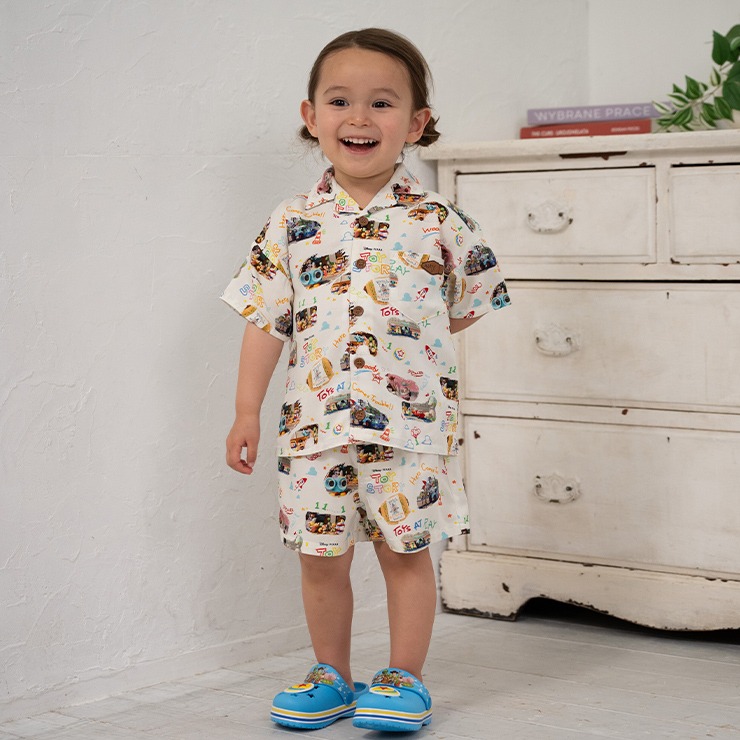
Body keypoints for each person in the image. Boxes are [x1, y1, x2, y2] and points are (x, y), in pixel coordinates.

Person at [221, 27, 510, 733]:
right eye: (340, 101)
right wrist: (246, 411)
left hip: (409, 431)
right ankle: (332, 675)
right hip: (314, 428)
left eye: (381, 103)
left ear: (415, 123)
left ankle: (404, 679)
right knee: (320, 559)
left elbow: (470, 304)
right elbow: (265, 320)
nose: (359, 117)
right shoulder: (291, 223)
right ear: (311, 115)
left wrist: (411, 353)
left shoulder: (438, 220)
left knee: (405, 552)